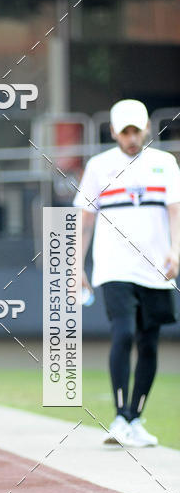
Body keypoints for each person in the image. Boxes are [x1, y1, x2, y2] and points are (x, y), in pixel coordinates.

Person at [75, 99, 180, 447]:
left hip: (155, 269)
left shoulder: (165, 164)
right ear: (115, 132)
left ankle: (135, 416)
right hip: (113, 267)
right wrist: (77, 266)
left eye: (136, 130)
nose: (131, 137)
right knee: (122, 333)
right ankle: (120, 417)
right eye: (125, 131)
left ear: (147, 127)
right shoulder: (99, 166)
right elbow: (85, 221)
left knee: (149, 340)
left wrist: (175, 252)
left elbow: (175, 212)